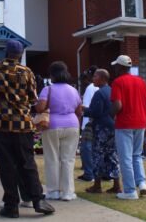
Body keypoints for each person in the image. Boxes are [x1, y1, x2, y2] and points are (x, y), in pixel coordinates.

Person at [0, 39, 54, 218]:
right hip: (23, 125)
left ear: (6, 52)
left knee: (7, 166)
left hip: (2, 126)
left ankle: (11, 205)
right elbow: (33, 99)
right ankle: (38, 199)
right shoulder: (27, 72)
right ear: (20, 55)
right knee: (28, 164)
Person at [35, 61, 82, 201]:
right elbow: (79, 111)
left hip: (52, 126)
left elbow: (39, 108)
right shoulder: (74, 90)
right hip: (72, 125)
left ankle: (53, 191)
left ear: (52, 75)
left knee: (52, 158)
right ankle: (67, 192)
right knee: (68, 159)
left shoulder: (48, 89)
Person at [110, 55, 146, 200]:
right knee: (136, 155)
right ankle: (142, 183)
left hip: (124, 123)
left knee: (125, 158)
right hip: (140, 122)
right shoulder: (141, 81)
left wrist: (110, 113)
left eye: (116, 66)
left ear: (120, 67)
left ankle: (130, 191)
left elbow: (118, 105)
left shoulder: (118, 82)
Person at [84, 69, 120, 194]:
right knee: (112, 155)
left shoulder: (99, 93)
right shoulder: (112, 91)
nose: (93, 79)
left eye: (95, 76)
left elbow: (95, 112)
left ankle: (97, 185)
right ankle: (116, 184)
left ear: (102, 78)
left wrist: (82, 109)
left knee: (98, 154)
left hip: (101, 128)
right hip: (112, 126)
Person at [77, 66, 98, 182]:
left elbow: (84, 107)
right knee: (95, 149)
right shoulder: (101, 88)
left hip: (88, 123)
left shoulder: (90, 88)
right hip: (97, 122)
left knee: (86, 148)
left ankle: (89, 173)